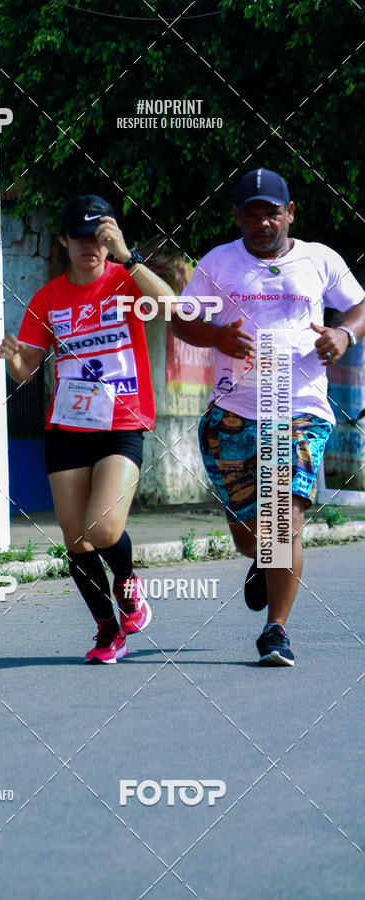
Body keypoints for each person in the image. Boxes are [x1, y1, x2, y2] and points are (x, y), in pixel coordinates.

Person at [173, 168, 365, 666]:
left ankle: (275, 630)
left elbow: (360, 305)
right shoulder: (219, 263)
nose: (262, 223)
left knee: (284, 521)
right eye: (251, 214)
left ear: (290, 214)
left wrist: (346, 334)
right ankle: (263, 559)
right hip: (233, 411)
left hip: (300, 408)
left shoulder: (320, 260)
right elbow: (182, 319)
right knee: (249, 535)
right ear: (238, 217)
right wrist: (214, 337)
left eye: (271, 213)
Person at [0, 194, 175, 663]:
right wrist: (14, 357)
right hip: (68, 427)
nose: (90, 248)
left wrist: (129, 256)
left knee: (102, 526)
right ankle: (106, 630)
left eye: (99, 238)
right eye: (81, 239)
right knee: (76, 538)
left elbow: (175, 307)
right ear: (64, 241)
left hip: (122, 422)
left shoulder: (126, 281)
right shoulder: (48, 297)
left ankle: (128, 581)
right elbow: (27, 372)